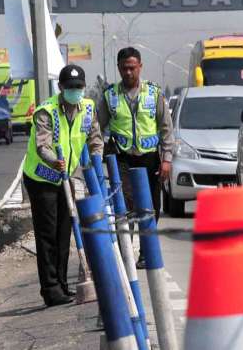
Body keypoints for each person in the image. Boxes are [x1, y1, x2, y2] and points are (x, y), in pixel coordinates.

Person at [23, 65, 103, 307]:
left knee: (64, 232)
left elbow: (95, 139)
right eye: (70, 88)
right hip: (42, 177)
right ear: (61, 88)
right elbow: (42, 146)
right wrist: (55, 162)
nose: (75, 91)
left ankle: (62, 285)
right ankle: (50, 290)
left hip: (64, 177)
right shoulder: (46, 112)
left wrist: (97, 163)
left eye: (78, 87)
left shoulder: (88, 108)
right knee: (48, 234)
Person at [98, 47, 174, 269]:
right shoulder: (110, 96)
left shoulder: (154, 93)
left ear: (140, 67)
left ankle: (146, 252)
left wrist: (167, 159)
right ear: (119, 69)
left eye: (132, 68)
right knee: (127, 205)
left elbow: (166, 128)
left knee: (151, 207)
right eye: (124, 68)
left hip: (150, 159)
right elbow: (97, 127)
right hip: (122, 159)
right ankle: (126, 254)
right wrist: (98, 151)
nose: (128, 72)